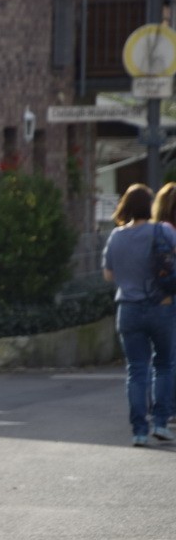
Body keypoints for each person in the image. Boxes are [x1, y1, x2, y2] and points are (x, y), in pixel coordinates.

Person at [104, 183, 176, 446]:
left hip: (128, 309)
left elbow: (108, 274)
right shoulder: (160, 231)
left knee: (136, 370)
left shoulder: (116, 236)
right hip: (161, 306)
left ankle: (139, 431)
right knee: (165, 365)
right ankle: (160, 422)